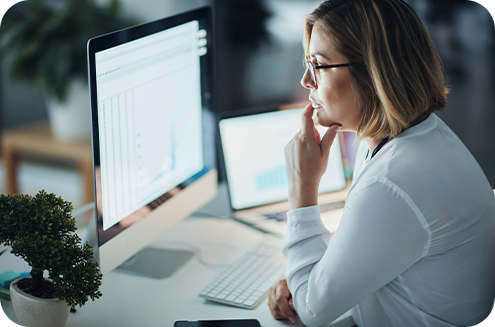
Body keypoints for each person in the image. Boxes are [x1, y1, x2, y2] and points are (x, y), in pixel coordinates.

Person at [268, 0, 495, 326]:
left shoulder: (395, 181)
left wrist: (302, 190)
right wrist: (304, 279)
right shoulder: (411, 137)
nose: (306, 80)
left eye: (318, 64)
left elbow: (312, 313)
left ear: (373, 74)